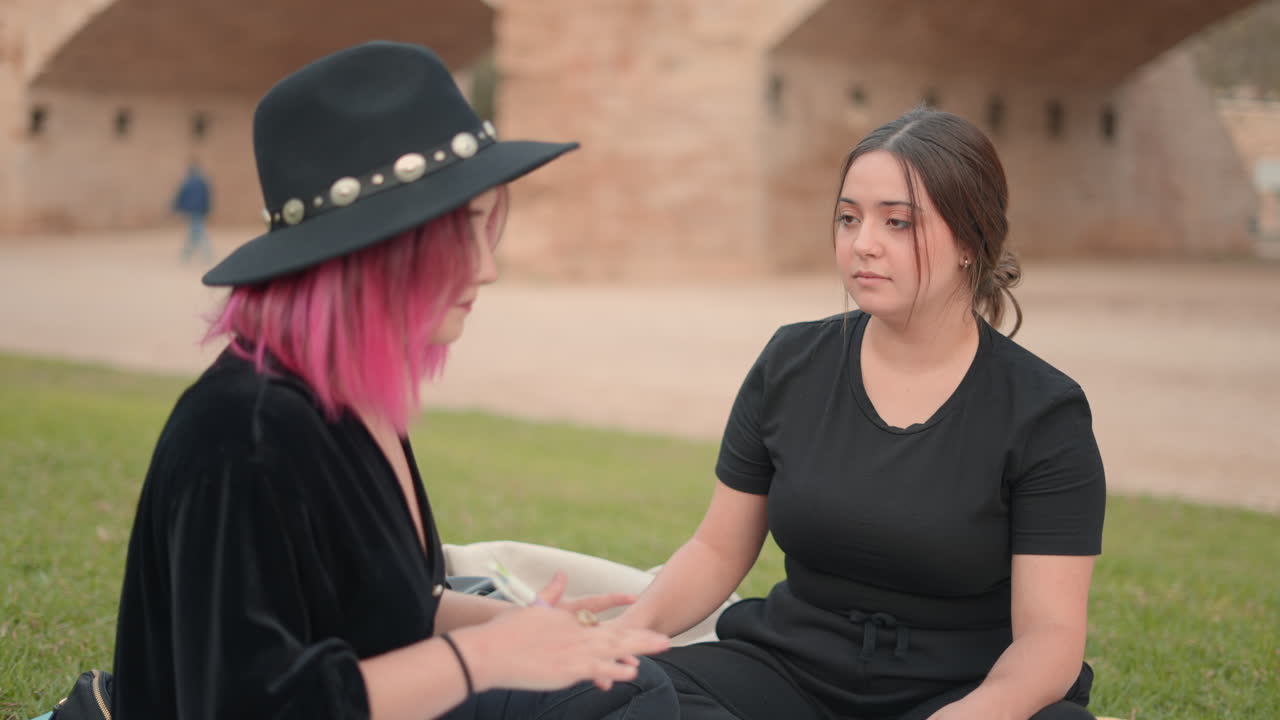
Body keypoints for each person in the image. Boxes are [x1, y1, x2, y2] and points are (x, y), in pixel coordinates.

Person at [108, 41, 676, 720]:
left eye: (484, 227)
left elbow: (390, 604)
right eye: (458, 232)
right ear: (376, 252)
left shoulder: (347, 400)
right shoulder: (244, 434)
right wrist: (488, 657)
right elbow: (245, 702)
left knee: (627, 682)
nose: (486, 268)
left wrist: (527, 628)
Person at [617, 108, 1107, 720]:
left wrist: (977, 712)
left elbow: (1049, 636)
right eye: (848, 219)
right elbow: (717, 549)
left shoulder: (1044, 414)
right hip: (786, 672)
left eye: (897, 223)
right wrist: (622, 636)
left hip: (959, 691)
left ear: (970, 240)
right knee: (634, 694)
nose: (862, 243)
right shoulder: (791, 362)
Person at [173, 161, 214, 264]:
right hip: (199, 211)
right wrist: (207, 210)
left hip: (192, 211)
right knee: (195, 233)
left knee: (198, 232)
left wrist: (175, 208)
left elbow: (181, 196)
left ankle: (193, 255)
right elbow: (207, 197)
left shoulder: (188, 182)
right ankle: (189, 255)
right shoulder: (202, 182)